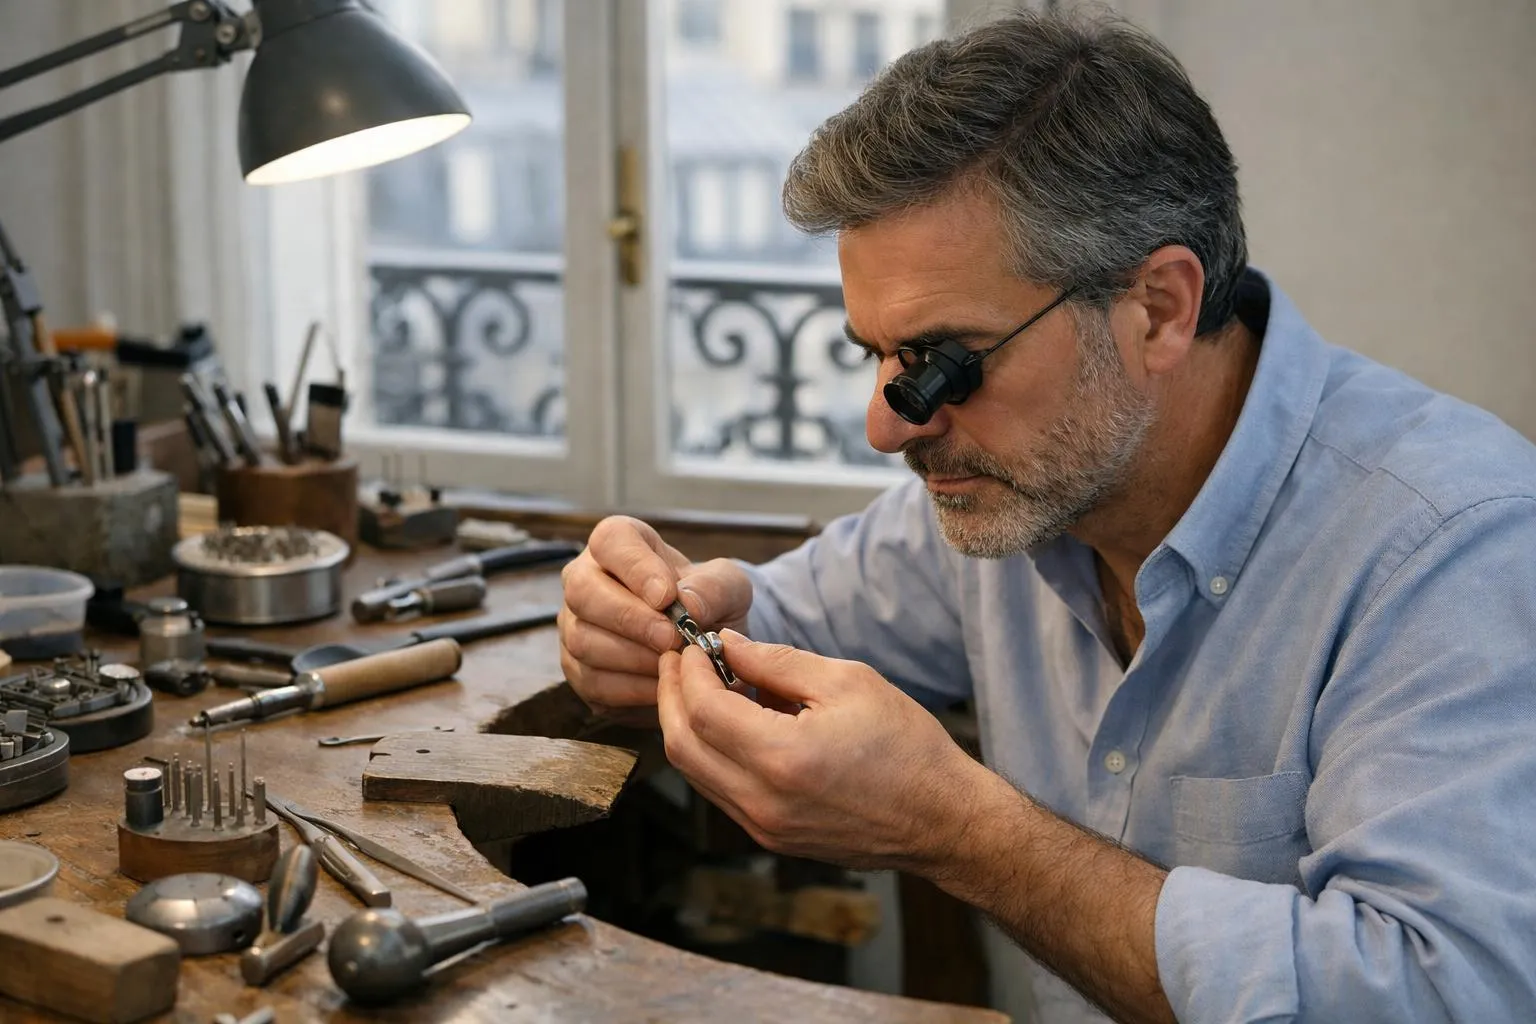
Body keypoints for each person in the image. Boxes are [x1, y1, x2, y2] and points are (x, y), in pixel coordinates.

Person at [558, 10, 1536, 1023]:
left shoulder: (1455, 549)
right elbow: (772, 621)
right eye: (877, 357)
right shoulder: (1017, 490)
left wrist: (960, 830)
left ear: (1158, 308)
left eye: (946, 363)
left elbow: (1438, 994)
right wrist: (648, 622)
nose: (887, 428)